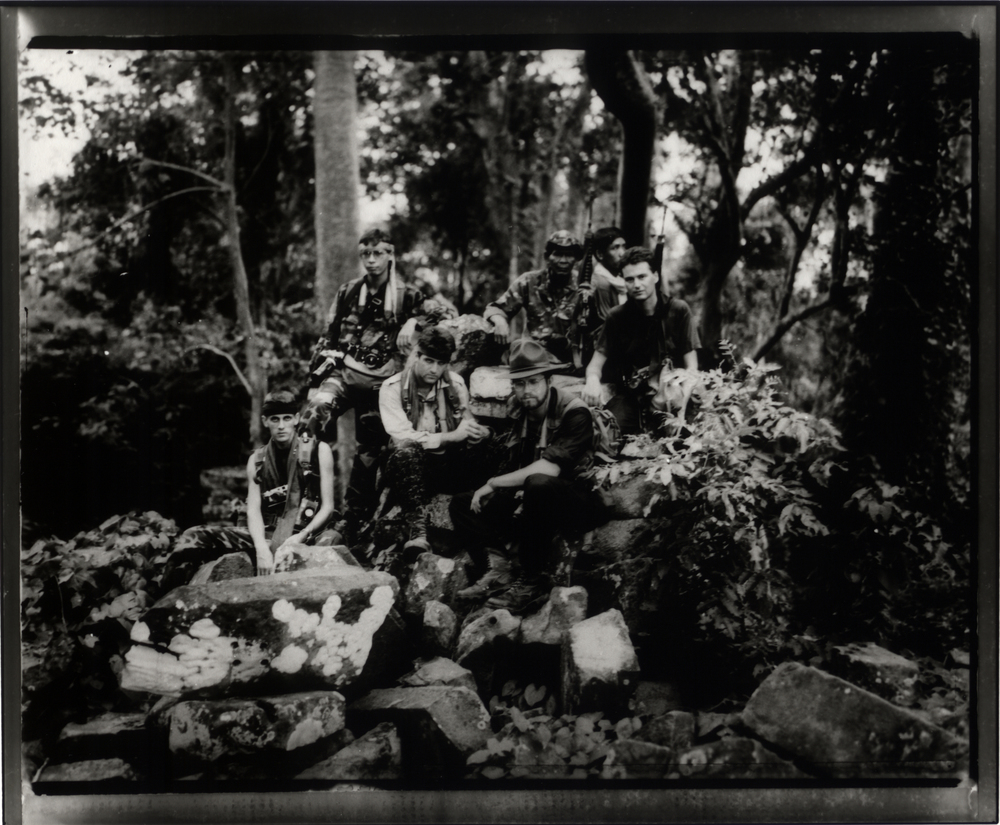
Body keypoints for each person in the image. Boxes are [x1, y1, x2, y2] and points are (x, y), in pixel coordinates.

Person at [449, 338, 609, 612]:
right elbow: (513, 457)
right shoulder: (521, 411)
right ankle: (499, 570)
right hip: (534, 498)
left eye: (533, 382)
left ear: (548, 380)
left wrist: (493, 484)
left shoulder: (575, 412)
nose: (526, 391)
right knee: (462, 504)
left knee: (538, 483)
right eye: (520, 384)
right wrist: (486, 439)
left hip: (577, 502)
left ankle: (533, 581)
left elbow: (549, 469)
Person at [304, 228, 428, 544]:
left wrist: (414, 322)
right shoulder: (348, 291)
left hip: (380, 384)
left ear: (390, 256)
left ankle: (353, 517)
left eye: (378, 254)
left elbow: (441, 315)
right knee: (314, 413)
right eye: (366, 254)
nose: (371, 261)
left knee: (369, 451)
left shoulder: (406, 294)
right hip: (345, 374)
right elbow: (328, 336)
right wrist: (314, 382)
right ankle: (307, 500)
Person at [161, 390, 335, 590]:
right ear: (264, 421)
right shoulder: (257, 460)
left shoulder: (318, 451)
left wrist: (301, 536)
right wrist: (261, 549)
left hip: (307, 532)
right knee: (194, 536)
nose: (280, 426)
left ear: (296, 419)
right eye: (274, 419)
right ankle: (166, 598)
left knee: (331, 541)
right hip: (268, 534)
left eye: (286, 418)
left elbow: (328, 507)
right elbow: (253, 509)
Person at [379, 326, 491, 557]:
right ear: (417, 356)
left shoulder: (456, 385)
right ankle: (418, 532)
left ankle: (483, 532)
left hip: (447, 465)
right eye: (429, 361)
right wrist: (451, 436)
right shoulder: (391, 388)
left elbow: (466, 422)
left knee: (489, 447)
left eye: (441, 363)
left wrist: (479, 432)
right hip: (411, 469)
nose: (434, 369)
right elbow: (402, 436)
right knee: (405, 451)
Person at [583, 246, 700, 435]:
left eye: (642, 277)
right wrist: (592, 380)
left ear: (655, 276)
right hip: (633, 397)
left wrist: (681, 406)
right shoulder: (617, 317)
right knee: (606, 434)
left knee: (688, 438)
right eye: (629, 279)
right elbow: (594, 365)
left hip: (671, 394)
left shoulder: (678, 310)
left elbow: (692, 368)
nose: (636, 285)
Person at [483, 230, 588, 369]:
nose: (563, 260)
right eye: (557, 254)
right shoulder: (529, 281)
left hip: (569, 360)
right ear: (547, 257)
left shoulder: (584, 286)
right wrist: (500, 320)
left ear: (576, 259)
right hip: (531, 358)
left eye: (568, 255)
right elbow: (495, 308)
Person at [588, 226, 628, 333]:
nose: (622, 253)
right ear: (600, 254)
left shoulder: (618, 279)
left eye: (624, 247)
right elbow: (609, 324)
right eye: (615, 248)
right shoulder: (601, 283)